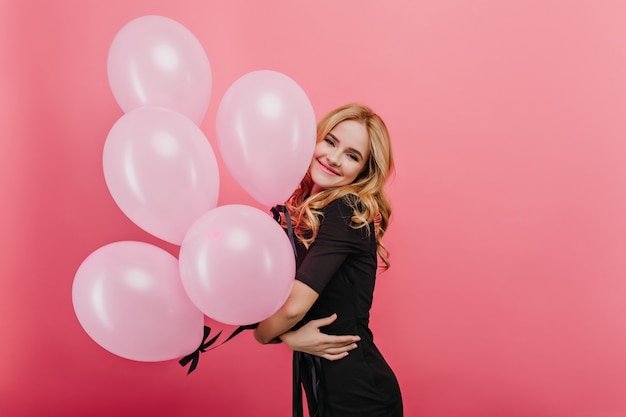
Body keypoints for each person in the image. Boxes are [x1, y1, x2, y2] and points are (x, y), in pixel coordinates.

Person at [254, 103, 403, 417]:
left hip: (361, 398)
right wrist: (288, 335)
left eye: (352, 155)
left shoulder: (346, 208)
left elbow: (294, 306)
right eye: (331, 141)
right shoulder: (311, 212)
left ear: (363, 171)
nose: (334, 158)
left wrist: (266, 335)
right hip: (332, 390)